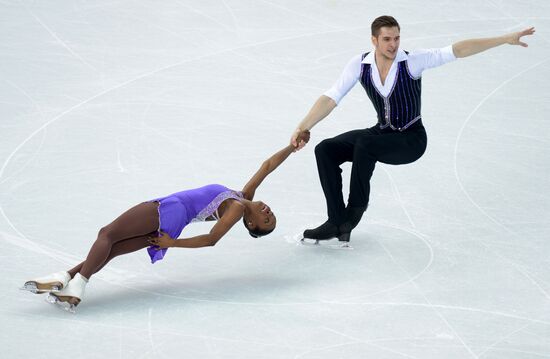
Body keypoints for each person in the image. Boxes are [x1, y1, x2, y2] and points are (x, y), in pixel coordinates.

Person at [291, 15, 535, 243]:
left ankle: (352, 215)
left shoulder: (412, 62)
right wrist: (303, 126)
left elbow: (457, 50)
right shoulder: (360, 64)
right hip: (382, 133)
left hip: (411, 139)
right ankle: (336, 220)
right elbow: (331, 97)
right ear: (374, 40)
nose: (393, 44)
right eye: (386, 39)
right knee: (325, 149)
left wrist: (504, 39)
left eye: (397, 38)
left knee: (365, 144)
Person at [21, 131, 310, 312]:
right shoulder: (243, 196)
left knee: (107, 233)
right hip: (173, 219)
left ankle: (76, 282)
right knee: (115, 246)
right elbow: (267, 166)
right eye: (271, 215)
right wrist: (291, 147)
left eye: (266, 220)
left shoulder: (235, 208)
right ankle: (68, 281)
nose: (268, 213)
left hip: (168, 210)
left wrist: (173, 243)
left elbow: (212, 239)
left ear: (251, 224)